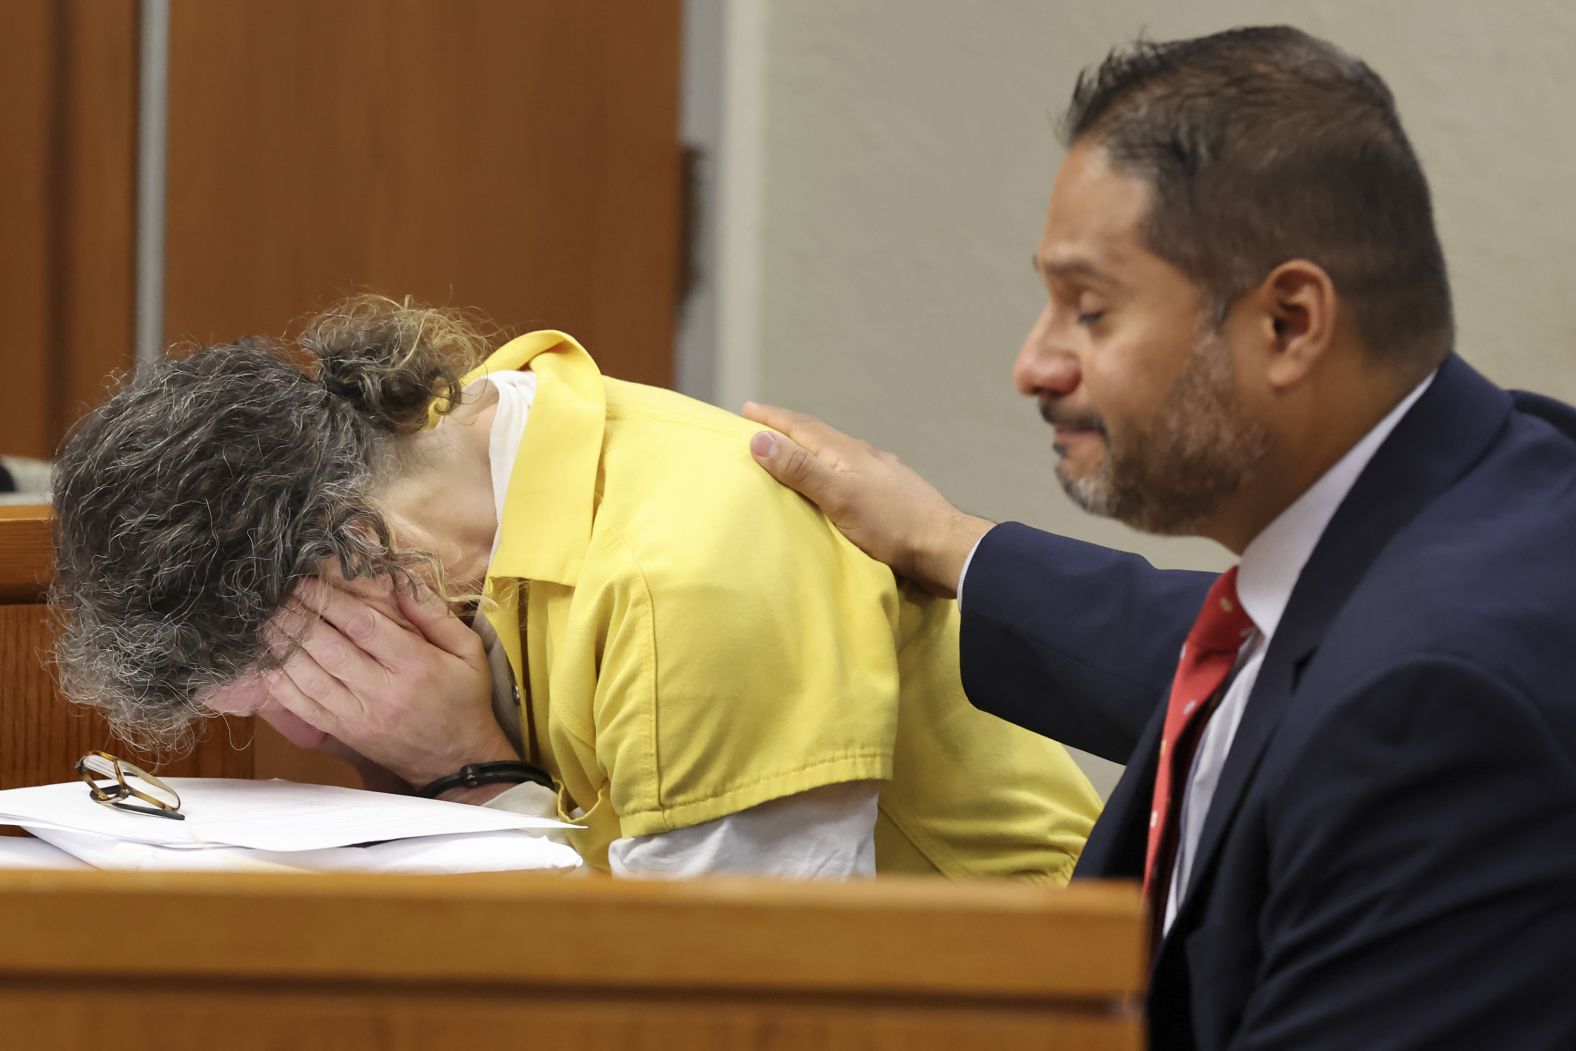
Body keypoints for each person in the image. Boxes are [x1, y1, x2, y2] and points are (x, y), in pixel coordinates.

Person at [743, 25, 1576, 1050]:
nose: (1033, 364)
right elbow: (1239, 664)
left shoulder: (1435, 702)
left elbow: (1372, 699)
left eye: (1088, 311)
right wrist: (948, 542)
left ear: (1287, 324)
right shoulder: (1485, 483)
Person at [48, 295, 1099, 881]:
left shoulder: (686, 575)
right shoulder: (479, 447)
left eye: (287, 686)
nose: (309, 735)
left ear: (348, 555)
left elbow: (725, 998)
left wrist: (466, 770)